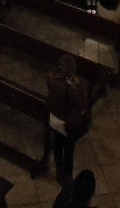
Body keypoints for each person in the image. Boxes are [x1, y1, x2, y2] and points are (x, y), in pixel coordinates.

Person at [45, 55, 92, 183]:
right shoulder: (71, 88)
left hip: (56, 120)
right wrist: (81, 88)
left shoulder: (53, 82)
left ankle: (59, 173)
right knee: (69, 150)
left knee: (58, 146)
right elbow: (83, 103)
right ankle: (67, 176)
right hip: (69, 123)